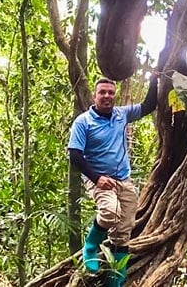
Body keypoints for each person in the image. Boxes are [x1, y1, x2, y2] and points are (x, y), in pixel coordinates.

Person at [68, 75, 159, 286]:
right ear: (95, 95)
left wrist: (155, 76)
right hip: (99, 180)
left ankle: (114, 280)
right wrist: (96, 178)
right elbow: (75, 155)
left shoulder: (121, 114)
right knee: (110, 212)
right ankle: (91, 245)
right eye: (103, 92)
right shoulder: (84, 122)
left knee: (123, 232)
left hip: (123, 181)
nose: (107, 96)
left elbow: (148, 105)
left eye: (110, 92)